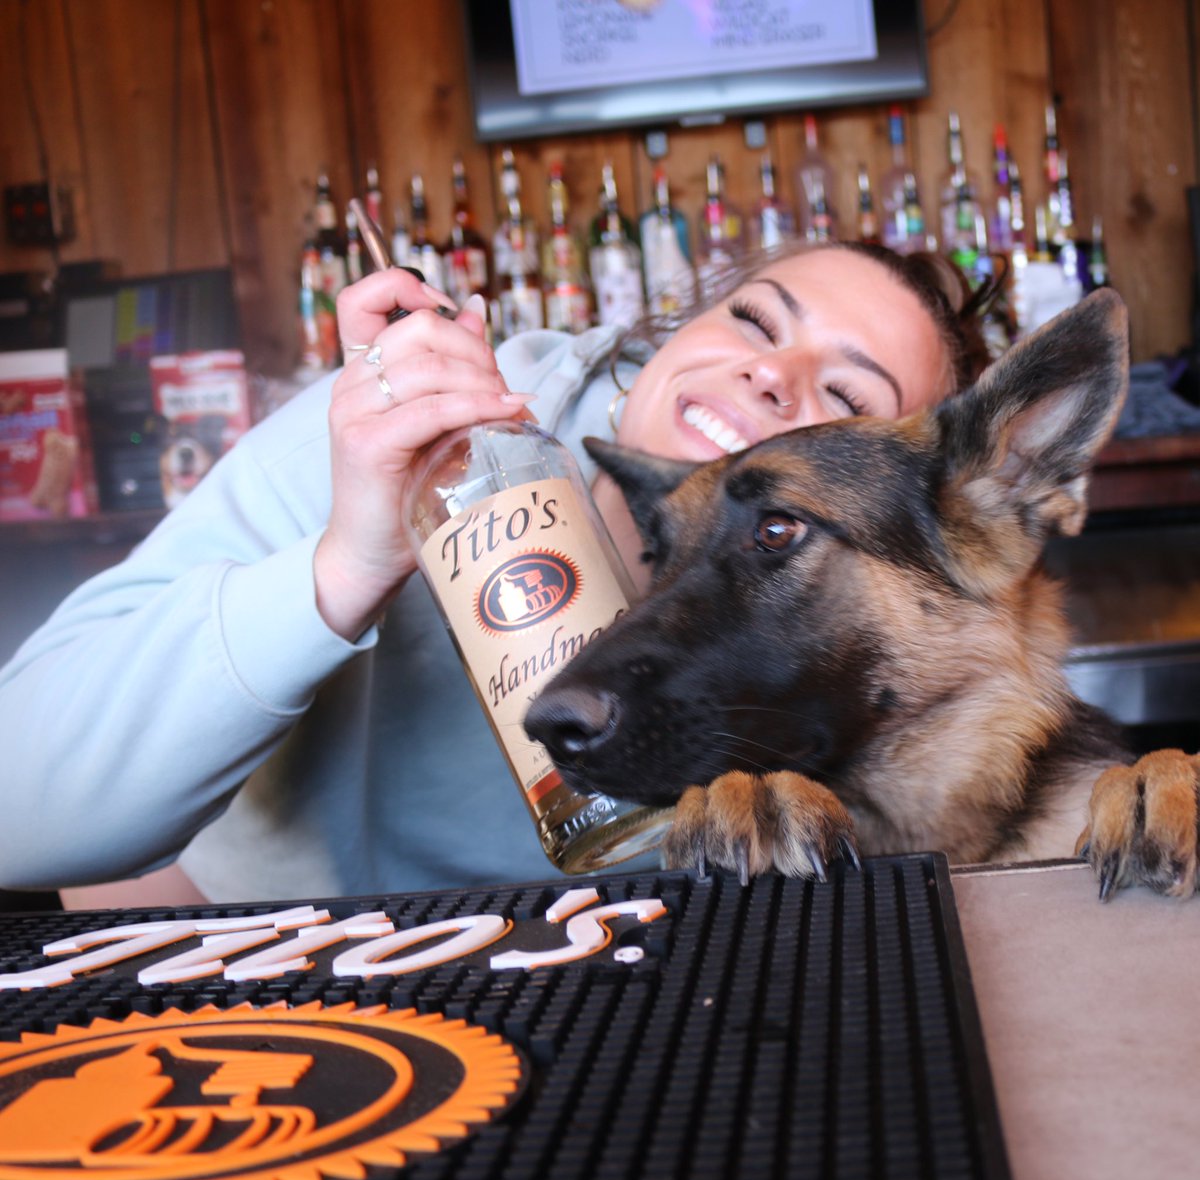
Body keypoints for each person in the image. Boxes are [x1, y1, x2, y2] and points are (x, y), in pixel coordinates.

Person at [0, 241, 991, 904]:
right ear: (665, 340)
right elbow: (20, 811)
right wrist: (347, 563)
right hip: (305, 986)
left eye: (846, 396)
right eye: (755, 322)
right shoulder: (409, 429)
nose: (772, 374)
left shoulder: (889, 644)